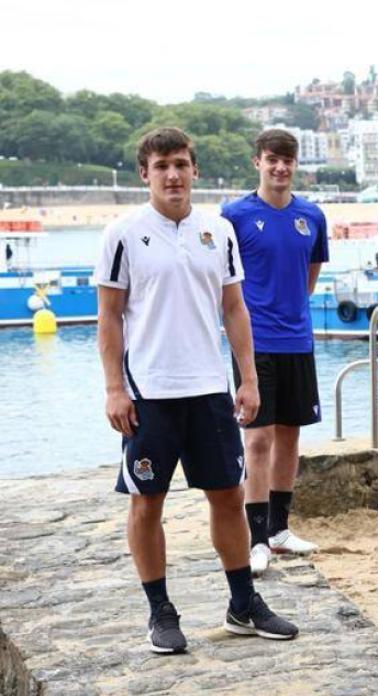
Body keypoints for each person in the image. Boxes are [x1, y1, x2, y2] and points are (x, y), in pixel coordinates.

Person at [96, 127, 298, 654]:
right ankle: (160, 611)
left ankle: (242, 605)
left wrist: (248, 378)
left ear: (195, 170)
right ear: (145, 173)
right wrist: (115, 388)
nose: (173, 174)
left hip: (209, 389)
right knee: (148, 503)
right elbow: (110, 317)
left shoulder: (218, 231)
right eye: (162, 165)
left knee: (228, 496)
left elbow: (234, 309)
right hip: (149, 393)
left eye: (181, 164)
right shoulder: (122, 232)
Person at [220, 129, 329, 575]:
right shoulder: (236, 216)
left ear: (295, 164)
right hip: (255, 343)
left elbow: (310, 273)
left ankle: (281, 529)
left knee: (290, 434)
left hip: (297, 341)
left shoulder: (312, 216)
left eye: (287, 160)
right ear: (257, 163)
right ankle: (258, 537)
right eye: (271, 160)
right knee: (258, 437)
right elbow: (225, 284)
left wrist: (293, 314)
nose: (280, 168)